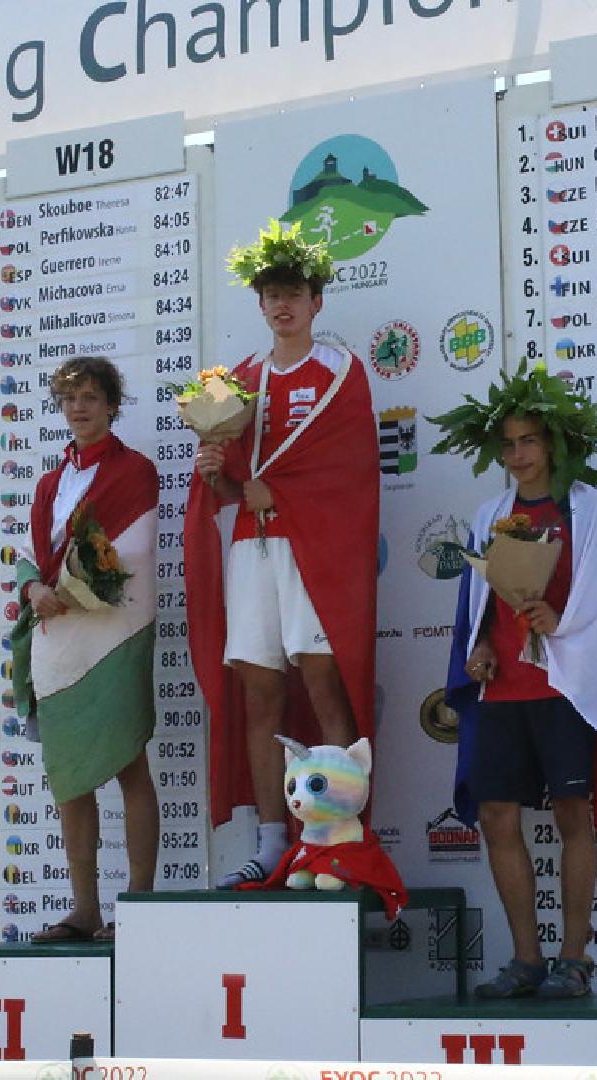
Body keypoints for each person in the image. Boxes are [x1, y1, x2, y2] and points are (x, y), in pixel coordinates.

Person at [432, 360, 597, 998]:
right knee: (495, 815)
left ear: (553, 444)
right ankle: (525, 960)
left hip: (565, 687)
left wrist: (560, 619)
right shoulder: (490, 513)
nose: (518, 455)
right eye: (508, 444)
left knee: (573, 813)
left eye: (529, 441)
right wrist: (480, 646)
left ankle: (574, 959)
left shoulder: (586, 509)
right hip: (505, 690)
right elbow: (476, 606)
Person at [184, 222, 379, 888]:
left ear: (317, 300)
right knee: (259, 693)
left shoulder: (340, 370)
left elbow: (347, 468)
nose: (282, 305)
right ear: (260, 305)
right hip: (250, 549)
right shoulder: (236, 379)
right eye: (270, 295)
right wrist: (218, 473)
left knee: (325, 684)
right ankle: (272, 841)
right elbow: (230, 480)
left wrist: (276, 490)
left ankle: (337, 838)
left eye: (294, 291)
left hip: (311, 546)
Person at [12, 358, 159, 942]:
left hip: (114, 633)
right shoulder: (50, 482)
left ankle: (141, 904)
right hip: (56, 640)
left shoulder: (137, 471)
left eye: (92, 397)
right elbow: (25, 553)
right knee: (69, 775)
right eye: (71, 399)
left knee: (129, 763)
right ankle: (84, 909)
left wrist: (68, 592)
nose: (81, 408)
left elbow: (135, 552)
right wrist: (34, 589)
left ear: (111, 405)